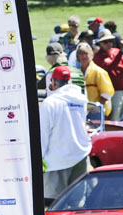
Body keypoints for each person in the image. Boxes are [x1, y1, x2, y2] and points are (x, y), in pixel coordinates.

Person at [40, 66, 92, 199]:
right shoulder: (80, 101)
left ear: (53, 82)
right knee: (77, 202)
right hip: (80, 155)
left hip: (57, 160)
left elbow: (42, 134)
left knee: (53, 204)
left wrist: (39, 159)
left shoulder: (50, 103)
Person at [92, 30, 123, 120]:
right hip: (111, 93)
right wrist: (118, 59)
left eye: (110, 41)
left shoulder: (116, 52)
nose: (109, 44)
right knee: (114, 118)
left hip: (122, 91)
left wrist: (117, 65)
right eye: (105, 42)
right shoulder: (98, 57)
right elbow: (108, 68)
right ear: (100, 43)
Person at [77, 42, 113, 117]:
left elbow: (107, 93)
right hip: (82, 110)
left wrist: (97, 106)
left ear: (91, 54)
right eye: (81, 54)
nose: (83, 56)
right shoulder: (77, 73)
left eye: (86, 53)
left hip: (97, 111)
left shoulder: (99, 72)